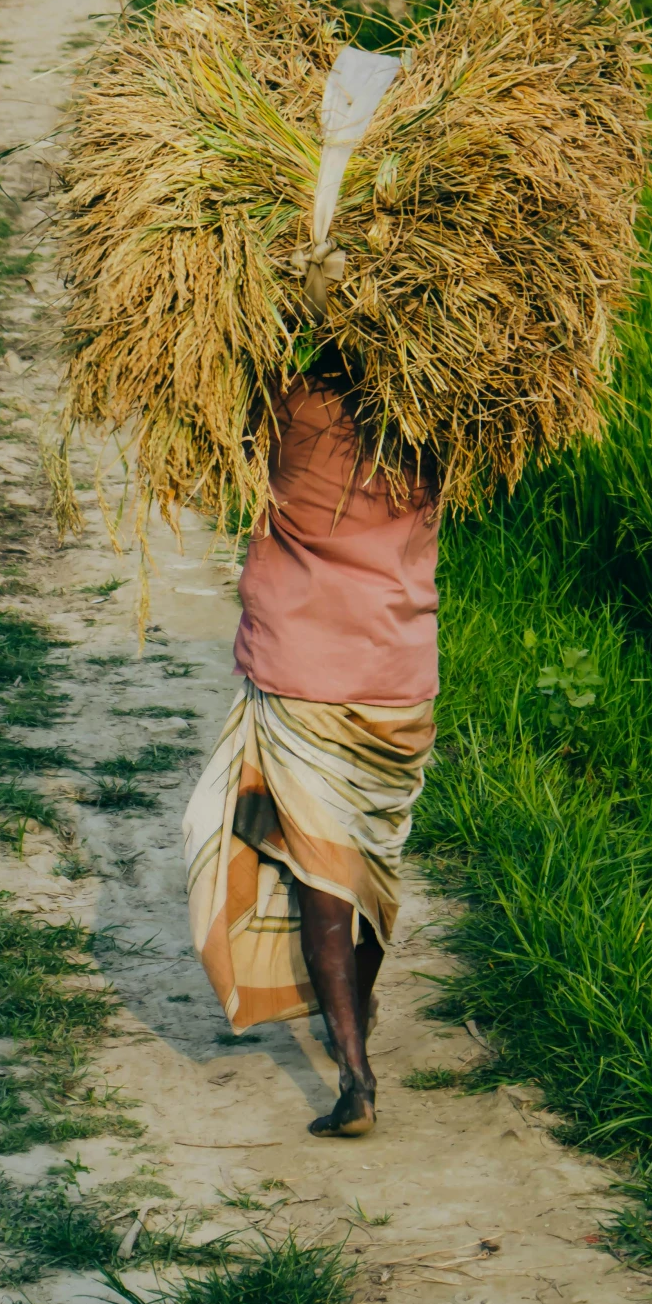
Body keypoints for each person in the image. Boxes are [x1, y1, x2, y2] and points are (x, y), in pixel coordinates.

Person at [183, 365, 439, 1137]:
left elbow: (208, 429)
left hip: (302, 670)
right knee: (365, 858)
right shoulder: (438, 414)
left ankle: (354, 1073)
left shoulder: (287, 402)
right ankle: (352, 1011)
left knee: (314, 861)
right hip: (400, 676)